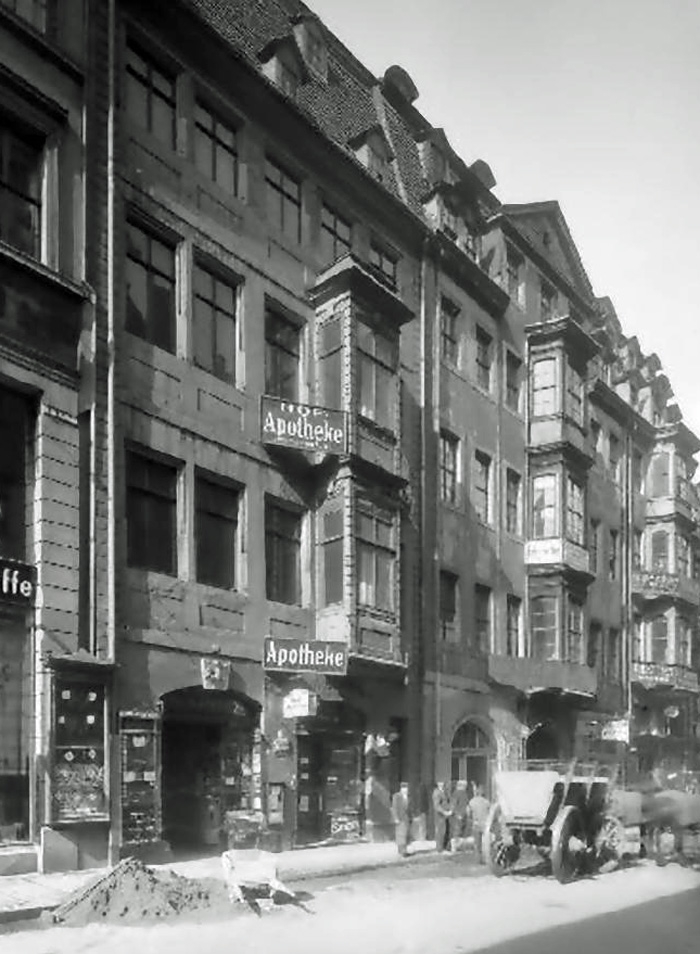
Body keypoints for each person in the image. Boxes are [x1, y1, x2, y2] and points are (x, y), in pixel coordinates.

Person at [468, 783, 491, 863]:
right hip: (485, 825)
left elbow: (468, 813)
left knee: (477, 844)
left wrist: (471, 819)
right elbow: (490, 813)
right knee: (485, 844)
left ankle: (478, 860)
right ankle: (486, 859)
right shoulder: (487, 802)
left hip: (476, 824)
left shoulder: (472, 802)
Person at [391, 781, 411, 857]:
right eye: (404, 788)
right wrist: (395, 818)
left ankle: (404, 849)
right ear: (401, 789)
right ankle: (402, 851)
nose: (405, 790)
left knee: (406, 834)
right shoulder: (396, 796)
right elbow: (394, 807)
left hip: (407, 818)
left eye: (406, 788)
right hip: (400, 818)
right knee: (400, 834)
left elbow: (410, 808)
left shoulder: (408, 796)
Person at [432, 781, 452, 853]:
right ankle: (440, 849)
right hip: (440, 815)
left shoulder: (444, 791)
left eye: (443, 782)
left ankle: (446, 847)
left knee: (446, 831)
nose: (442, 784)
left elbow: (447, 802)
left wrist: (450, 810)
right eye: (440, 782)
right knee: (440, 832)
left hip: (446, 815)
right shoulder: (437, 792)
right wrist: (444, 812)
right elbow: (436, 806)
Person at [450, 779, 469, 852]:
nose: (465, 787)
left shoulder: (464, 793)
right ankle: (454, 847)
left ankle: (460, 847)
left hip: (463, 815)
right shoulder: (457, 793)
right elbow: (453, 805)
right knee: (457, 832)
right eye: (464, 785)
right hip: (458, 816)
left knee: (462, 832)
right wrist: (457, 814)